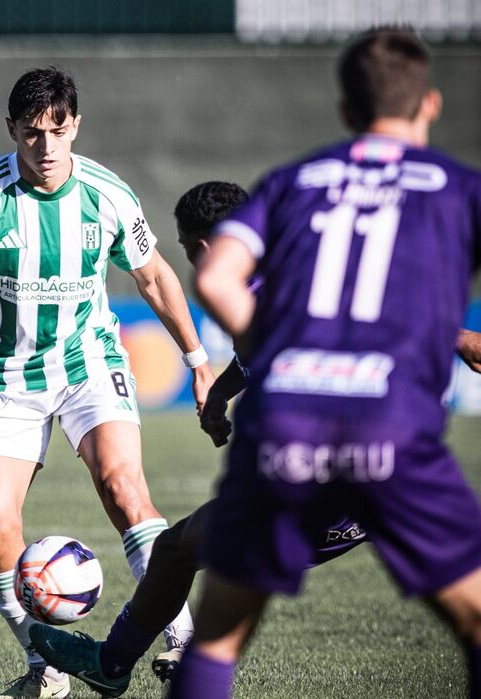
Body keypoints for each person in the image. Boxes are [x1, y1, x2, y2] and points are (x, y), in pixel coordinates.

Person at [177, 28, 481, 699]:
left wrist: (287, 349)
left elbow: (216, 279)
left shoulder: (294, 180)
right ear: (429, 105)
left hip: (284, 417)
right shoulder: (457, 186)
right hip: (391, 421)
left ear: (345, 113)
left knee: (216, 639)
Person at [0, 66, 216, 698]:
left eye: (57, 131)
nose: (45, 149)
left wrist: (197, 358)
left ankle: (181, 640)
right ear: (11, 131)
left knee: (124, 487)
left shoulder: (107, 194)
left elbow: (154, 276)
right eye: (29, 134)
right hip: (6, 374)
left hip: (89, 365)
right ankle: (44, 668)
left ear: (75, 124)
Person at [26, 180, 367, 698]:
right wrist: (220, 393)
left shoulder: (248, 292)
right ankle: (112, 664)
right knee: (174, 549)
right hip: (378, 476)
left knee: (216, 608)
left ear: (203, 247)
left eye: (184, 249)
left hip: (322, 488)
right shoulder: (292, 269)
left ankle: (122, 664)